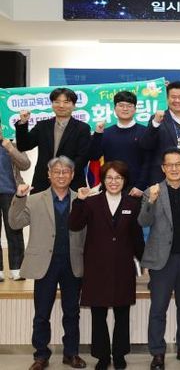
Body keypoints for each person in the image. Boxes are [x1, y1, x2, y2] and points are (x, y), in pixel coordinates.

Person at [9, 156, 87, 370]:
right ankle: (41, 355)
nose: (61, 175)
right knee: (42, 313)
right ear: (49, 175)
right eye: (56, 171)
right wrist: (19, 197)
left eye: (66, 171)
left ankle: (71, 354)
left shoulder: (81, 199)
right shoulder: (34, 199)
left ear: (72, 175)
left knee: (72, 312)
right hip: (45, 264)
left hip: (73, 263)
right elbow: (14, 223)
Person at [68, 161, 145, 370]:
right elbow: (74, 225)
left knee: (122, 314)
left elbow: (137, 237)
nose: (113, 182)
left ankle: (119, 355)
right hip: (97, 268)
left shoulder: (132, 204)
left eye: (118, 178)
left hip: (123, 268)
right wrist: (79, 201)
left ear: (124, 181)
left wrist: (144, 261)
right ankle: (102, 356)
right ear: (103, 180)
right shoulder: (91, 202)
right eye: (109, 177)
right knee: (98, 315)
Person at [138, 148, 180, 370]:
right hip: (161, 260)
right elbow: (143, 222)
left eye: (178, 164)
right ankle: (157, 352)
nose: (174, 168)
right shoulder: (152, 191)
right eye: (170, 165)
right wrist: (151, 201)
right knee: (158, 308)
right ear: (163, 168)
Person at [14, 87, 91, 192]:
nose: (61, 105)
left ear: (74, 106)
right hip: (43, 180)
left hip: (72, 182)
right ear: (52, 104)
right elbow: (24, 146)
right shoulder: (42, 126)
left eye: (66, 102)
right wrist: (23, 123)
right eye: (57, 102)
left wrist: (63, 173)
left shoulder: (82, 128)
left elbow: (83, 157)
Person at [140, 81, 180, 185]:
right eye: (173, 97)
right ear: (167, 99)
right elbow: (146, 145)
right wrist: (155, 123)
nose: (177, 100)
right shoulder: (157, 118)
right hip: (161, 178)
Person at [88, 90, 150, 197]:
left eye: (129, 106)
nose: (125, 109)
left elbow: (148, 161)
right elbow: (94, 156)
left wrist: (140, 186)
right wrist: (97, 134)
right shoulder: (106, 133)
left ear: (135, 109)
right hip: (111, 187)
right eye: (121, 105)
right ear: (115, 109)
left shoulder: (145, 132)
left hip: (136, 190)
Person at [0, 128, 30, 281]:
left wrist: (10, 149)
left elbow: (26, 164)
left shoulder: (12, 144)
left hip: (11, 192)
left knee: (14, 230)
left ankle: (17, 269)